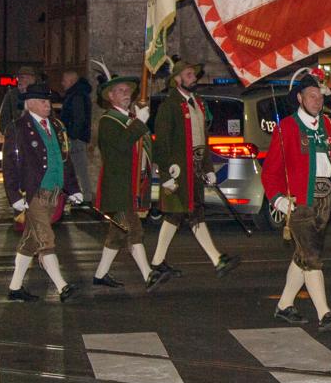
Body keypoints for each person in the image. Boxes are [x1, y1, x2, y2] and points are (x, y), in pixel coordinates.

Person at [259, 67, 331, 330]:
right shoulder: (287, 127)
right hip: (299, 203)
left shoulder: (330, 125)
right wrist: (277, 199)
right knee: (311, 257)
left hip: (325, 202)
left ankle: (284, 305)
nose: (317, 101)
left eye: (320, 96)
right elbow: (270, 171)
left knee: (303, 255)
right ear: (300, 98)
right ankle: (325, 313)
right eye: (311, 96)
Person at [148, 60, 239, 280]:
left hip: (195, 170)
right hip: (178, 172)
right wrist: (165, 175)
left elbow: (203, 140)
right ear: (177, 79)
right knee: (185, 213)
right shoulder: (169, 106)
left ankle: (159, 261)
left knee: (183, 214)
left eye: (193, 74)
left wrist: (208, 168)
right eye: (188, 75)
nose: (193, 78)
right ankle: (216, 259)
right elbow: (161, 144)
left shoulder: (197, 103)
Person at [2, 81, 84, 302]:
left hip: (54, 193)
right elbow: (9, 165)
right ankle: (62, 286)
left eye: (48, 101)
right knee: (45, 240)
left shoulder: (56, 126)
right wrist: (14, 195)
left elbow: (65, 159)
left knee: (31, 240)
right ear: (29, 103)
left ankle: (15, 288)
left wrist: (73, 188)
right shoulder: (17, 128)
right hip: (34, 193)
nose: (47, 105)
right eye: (42, 101)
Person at [91, 74, 161, 290]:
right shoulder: (108, 121)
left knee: (118, 232)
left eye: (128, 90)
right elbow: (121, 145)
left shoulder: (130, 118)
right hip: (118, 187)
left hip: (131, 185)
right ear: (110, 96)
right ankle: (148, 275)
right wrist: (139, 123)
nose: (127, 94)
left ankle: (100, 275)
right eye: (120, 91)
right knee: (133, 230)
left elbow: (145, 149)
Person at [59, 68, 93, 204]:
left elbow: (79, 118)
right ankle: (80, 195)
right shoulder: (76, 94)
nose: (62, 83)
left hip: (75, 139)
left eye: (64, 80)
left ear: (72, 81)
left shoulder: (77, 95)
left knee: (78, 168)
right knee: (77, 168)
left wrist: (72, 135)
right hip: (76, 137)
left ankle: (85, 196)